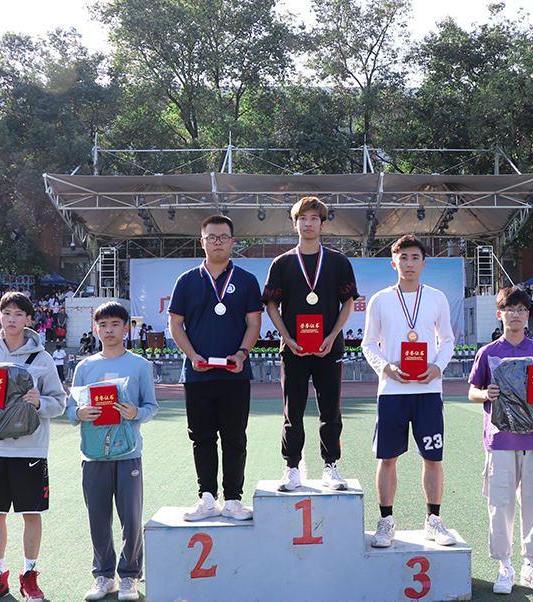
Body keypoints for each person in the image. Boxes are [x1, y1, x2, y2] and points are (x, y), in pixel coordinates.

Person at [0, 292, 66, 602]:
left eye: (18, 314)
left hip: (30, 450)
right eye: (6, 313)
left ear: (28, 319)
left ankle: (29, 575)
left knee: (31, 513)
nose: (12, 319)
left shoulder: (43, 359)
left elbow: (59, 403)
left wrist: (40, 402)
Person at [361, 235, 457, 548]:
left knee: (432, 457)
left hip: (429, 390)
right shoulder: (380, 300)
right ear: (394, 263)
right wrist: (385, 368)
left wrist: (438, 367)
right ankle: (386, 522)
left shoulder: (437, 298)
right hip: (392, 391)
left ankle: (434, 521)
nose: (409, 263)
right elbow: (368, 343)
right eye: (403, 258)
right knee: (387, 457)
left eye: (415, 257)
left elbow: (448, 340)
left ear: (424, 263)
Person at [169, 215, 262, 521]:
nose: (218, 242)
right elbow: (175, 324)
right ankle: (207, 498)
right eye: (212, 237)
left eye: (223, 237)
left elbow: (254, 323)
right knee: (202, 438)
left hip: (236, 373)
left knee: (235, 438)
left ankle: (233, 499)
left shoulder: (246, 280)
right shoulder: (186, 280)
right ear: (202, 242)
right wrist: (193, 356)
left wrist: (242, 353)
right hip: (197, 375)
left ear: (233, 242)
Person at [262, 196, 359, 491]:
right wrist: (287, 338)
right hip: (293, 350)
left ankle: (330, 466)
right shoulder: (282, 263)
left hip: (329, 348)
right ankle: (291, 467)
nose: (308, 223)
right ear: (295, 224)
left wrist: (332, 335)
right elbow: (271, 305)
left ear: (322, 224)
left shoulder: (338, 261)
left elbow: (348, 302)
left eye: (314, 218)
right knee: (292, 411)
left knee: (330, 410)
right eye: (302, 218)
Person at [468, 286, 533, 595]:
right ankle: (504, 565)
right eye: (509, 309)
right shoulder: (488, 353)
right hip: (500, 439)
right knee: (500, 504)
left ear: (527, 315)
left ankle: (532, 565)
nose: (515, 315)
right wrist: (485, 393)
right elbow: (472, 391)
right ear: (500, 314)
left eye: (520, 310)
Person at [67, 302, 158, 601]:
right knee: (98, 517)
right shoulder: (85, 367)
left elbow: (151, 406)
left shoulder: (140, 365)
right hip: (93, 454)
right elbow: (71, 409)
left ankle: (129, 575)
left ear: (126, 328)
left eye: (115, 324)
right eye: (103, 325)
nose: (109, 330)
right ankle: (104, 576)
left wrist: (135, 413)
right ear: (95, 329)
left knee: (131, 517)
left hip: (128, 453)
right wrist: (80, 413)